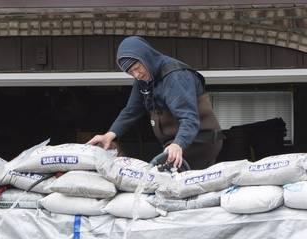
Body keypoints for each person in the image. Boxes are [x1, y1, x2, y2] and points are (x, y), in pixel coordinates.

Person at [87, 36, 223, 170]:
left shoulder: (175, 77)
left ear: (146, 58)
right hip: (175, 143)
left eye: (137, 67)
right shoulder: (144, 80)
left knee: (164, 179)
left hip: (198, 141)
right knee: (161, 178)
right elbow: (131, 110)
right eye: (131, 72)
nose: (137, 75)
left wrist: (178, 144)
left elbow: (189, 119)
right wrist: (109, 135)